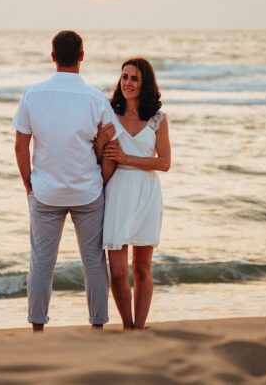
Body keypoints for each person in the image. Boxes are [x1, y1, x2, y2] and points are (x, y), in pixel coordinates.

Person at [12, 30, 120, 332]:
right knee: (94, 262)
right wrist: (102, 180)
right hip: (88, 191)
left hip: (45, 192)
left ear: (53, 57)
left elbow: (21, 145)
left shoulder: (32, 94)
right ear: (82, 56)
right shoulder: (96, 98)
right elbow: (110, 149)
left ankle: (37, 327)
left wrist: (28, 184)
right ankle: (98, 326)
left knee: (42, 262)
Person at [94, 58, 171, 330]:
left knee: (141, 268)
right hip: (118, 191)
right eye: (124, 77)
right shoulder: (109, 115)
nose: (127, 83)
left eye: (134, 78)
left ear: (145, 83)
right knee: (117, 272)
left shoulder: (158, 119)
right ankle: (127, 325)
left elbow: (164, 163)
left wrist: (127, 157)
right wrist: (100, 143)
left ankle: (139, 328)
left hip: (146, 192)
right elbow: (99, 158)